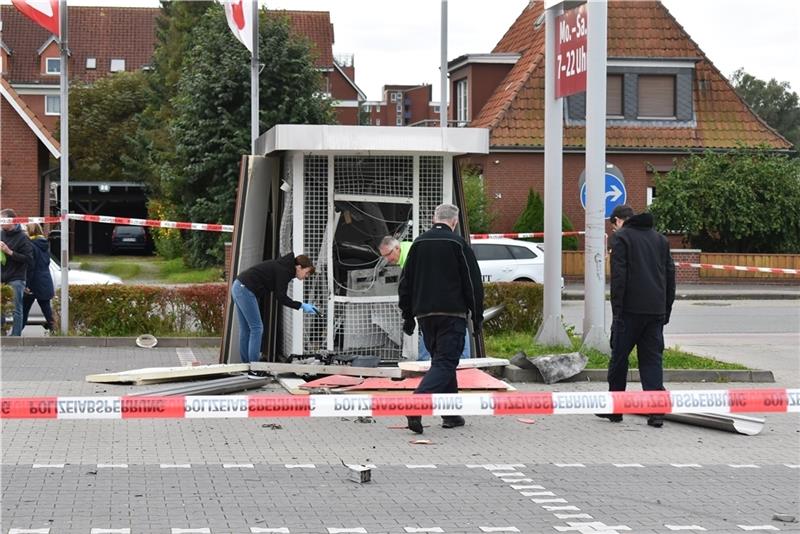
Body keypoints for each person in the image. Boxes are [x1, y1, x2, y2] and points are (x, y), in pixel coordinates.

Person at [398, 204, 484, 434]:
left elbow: (405, 283)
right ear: (454, 222)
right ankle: (417, 404)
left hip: (425, 316)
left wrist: (408, 316)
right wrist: (477, 316)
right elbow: (472, 282)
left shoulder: (418, 244)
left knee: (442, 362)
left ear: (434, 218)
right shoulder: (458, 244)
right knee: (445, 363)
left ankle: (451, 414)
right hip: (451, 314)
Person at [597, 204, 676, 428]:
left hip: (629, 311)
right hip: (655, 312)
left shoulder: (621, 239)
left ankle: (615, 409)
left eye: (613, 225)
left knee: (619, 359)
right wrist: (666, 309)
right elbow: (670, 276)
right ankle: (656, 412)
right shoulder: (661, 240)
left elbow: (619, 278)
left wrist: (617, 312)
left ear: (618, 221)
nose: (613, 230)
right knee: (652, 361)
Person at [380, 235, 472, 361]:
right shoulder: (407, 251)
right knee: (453, 326)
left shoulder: (409, 255)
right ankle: (462, 358)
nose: (387, 259)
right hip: (445, 297)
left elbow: (410, 287)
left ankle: (429, 359)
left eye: (388, 254)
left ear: (397, 248)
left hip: (435, 299)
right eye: (384, 256)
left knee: (434, 327)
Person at [231, 253, 318, 376]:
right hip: (245, 289)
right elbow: (281, 297)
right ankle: (255, 368)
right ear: (299, 267)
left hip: (238, 286)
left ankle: (247, 366)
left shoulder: (283, 267)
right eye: (307, 272)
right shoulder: (285, 271)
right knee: (257, 328)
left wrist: (301, 306)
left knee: (246, 329)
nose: (307, 276)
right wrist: (301, 306)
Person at [1, 209, 34, 336]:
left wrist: (9, 252)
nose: (1, 223)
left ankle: (16, 336)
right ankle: (1, 333)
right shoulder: (1, 234)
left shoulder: (23, 237)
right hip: (2, 276)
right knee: (1, 308)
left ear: (11, 220)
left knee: (16, 308)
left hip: (16, 277)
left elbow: (28, 259)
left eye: (2, 220)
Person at [21, 223, 56, 332]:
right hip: (44, 281)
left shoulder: (31, 245)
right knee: (47, 311)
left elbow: (31, 267)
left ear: (30, 232)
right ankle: (56, 332)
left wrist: (27, 285)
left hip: (33, 282)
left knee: (24, 310)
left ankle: (16, 334)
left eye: (26, 230)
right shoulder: (43, 244)